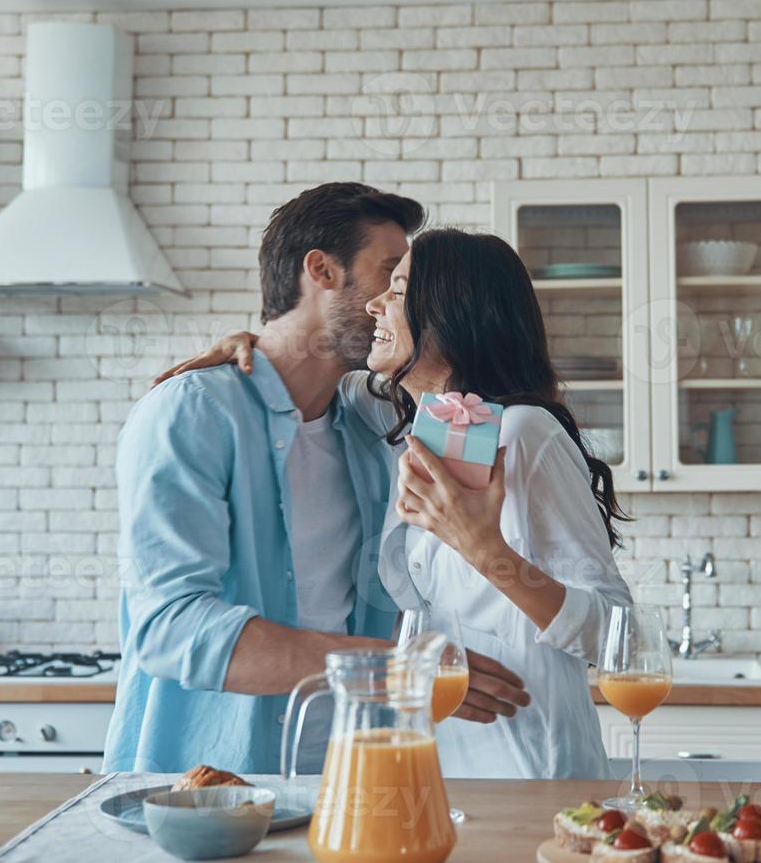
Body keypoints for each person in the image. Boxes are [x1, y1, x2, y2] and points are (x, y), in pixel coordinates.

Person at [157, 228, 634, 779]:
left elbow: (616, 637)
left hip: (532, 772)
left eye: (399, 289)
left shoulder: (525, 435)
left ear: (454, 314)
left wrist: (485, 550)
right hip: (441, 770)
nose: (375, 303)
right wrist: (249, 347)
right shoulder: (413, 421)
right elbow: (306, 377)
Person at [104, 185, 530, 777]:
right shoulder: (194, 412)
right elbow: (171, 629)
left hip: (352, 780)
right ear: (321, 270)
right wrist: (396, 667)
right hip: (209, 790)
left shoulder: (371, 418)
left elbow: (483, 400)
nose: (396, 303)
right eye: (390, 275)